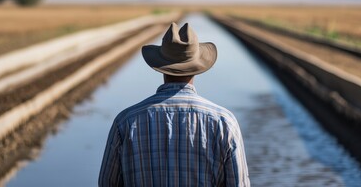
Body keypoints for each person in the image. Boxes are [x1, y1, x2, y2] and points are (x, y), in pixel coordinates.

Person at [98, 22, 250, 187]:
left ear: (161, 67)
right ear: (197, 67)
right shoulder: (224, 123)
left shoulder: (125, 122)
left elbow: (107, 183)